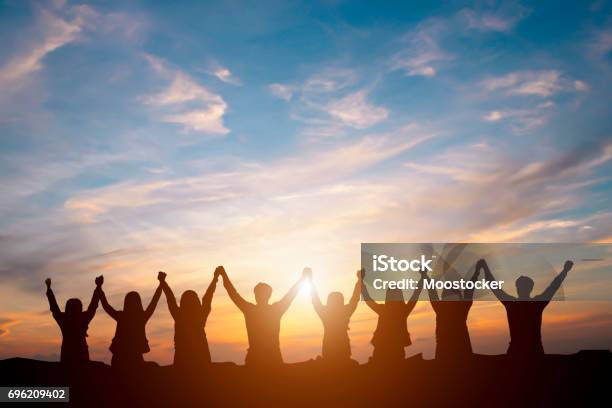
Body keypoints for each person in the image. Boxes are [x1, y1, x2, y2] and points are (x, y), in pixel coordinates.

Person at [218, 265, 309, 367]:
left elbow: (233, 293)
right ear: (269, 295)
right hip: (271, 359)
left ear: (256, 295)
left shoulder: (250, 310)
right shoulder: (275, 310)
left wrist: (224, 275)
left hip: (257, 359)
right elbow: (291, 294)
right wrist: (303, 279)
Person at [479, 258, 573, 357]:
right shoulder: (536, 304)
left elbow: (493, 286)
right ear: (531, 288)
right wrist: (565, 271)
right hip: (533, 351)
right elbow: (553, 286)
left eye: (521, 286)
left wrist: (485, 267)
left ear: (518, 288)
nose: (520, 288)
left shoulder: (513, 304)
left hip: (519, 351)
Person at [95, 273, 163, 368]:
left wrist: (99, 288)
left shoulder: (122, 316)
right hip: (133, 359)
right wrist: (161, 284)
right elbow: (154, 302)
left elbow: (106, 306)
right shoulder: (141, 317)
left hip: (120, 358)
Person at [361, 269, 425, 364]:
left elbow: (367, 299)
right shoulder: (403, 311)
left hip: (382, 349)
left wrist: (361, 281)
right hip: (395, 350)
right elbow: (416, 294)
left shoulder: (384, 310)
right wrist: (423, 277)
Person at [159, 269, 219, 369]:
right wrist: (215, 279)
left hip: (182, 360)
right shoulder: (200, 315)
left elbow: (170, 299)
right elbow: (208, 297)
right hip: (201, 360)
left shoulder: (179, 316)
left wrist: (163, 282)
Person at [423, 263, 481, 361]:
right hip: (463, 351)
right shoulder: (462, 307)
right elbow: (469, 290)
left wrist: (425, 275)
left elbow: (431, 290)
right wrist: (476, 273)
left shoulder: (441, 308)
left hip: (444, 352)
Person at [45, 276, 101, 364]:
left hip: (67, 354)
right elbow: (93, 307)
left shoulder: (64, 319)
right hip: (81, 354)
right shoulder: (83, 318)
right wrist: (98, 287)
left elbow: (54, 307)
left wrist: (49, 289)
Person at [309, 270, 361, 363]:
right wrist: (360, 281)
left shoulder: (325, 313)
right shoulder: (345, 312)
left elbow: (315, 300)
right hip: (343, 349)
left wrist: (310, 281)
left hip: (329, 350)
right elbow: (355, 299)